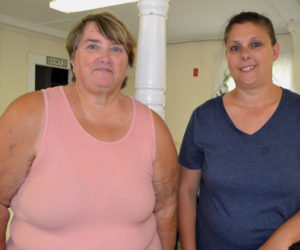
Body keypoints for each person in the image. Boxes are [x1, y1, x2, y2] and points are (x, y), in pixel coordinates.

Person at [0, 12, 178, 250]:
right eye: (93, 46)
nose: (104, 57)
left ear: (128, 64)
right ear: (73, 58)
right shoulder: (28, 114)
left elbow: (166, 209)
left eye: (116, 49)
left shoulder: (154, 128)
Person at [178, 11, 300, 250]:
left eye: (255, 44)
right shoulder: (204, 117)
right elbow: (186, 191)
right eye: (235, 48)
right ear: (227, 56)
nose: (245, 54)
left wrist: (281, 240)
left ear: (274, 51)